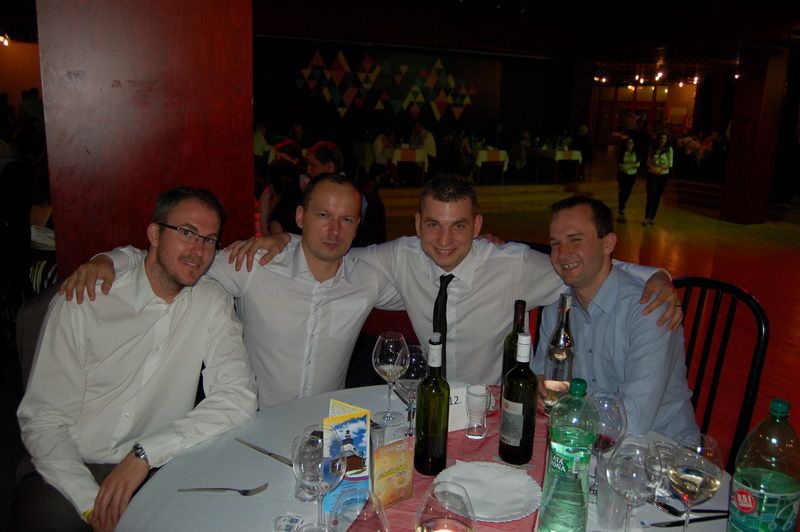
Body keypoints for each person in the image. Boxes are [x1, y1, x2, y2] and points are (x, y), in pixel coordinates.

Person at [227, 174, 682, 386]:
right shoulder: (399, 256)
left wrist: (656, 274)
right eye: (433, 225)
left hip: (487, 410)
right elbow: (331, 250)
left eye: (459, 226)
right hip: (423, 402)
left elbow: (579, 266)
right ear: (417, 223)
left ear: (478, 226)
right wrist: (286, 239)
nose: (444, 241)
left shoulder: (513, 265)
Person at [15, 187, 257, 531]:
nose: (198, 250)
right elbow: (42, 420)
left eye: (209, 240)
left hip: (157, 463)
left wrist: (146, 453)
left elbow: (238, 396)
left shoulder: (211, 301)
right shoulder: (85, 300)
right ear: (155, 233)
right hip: (71, 462)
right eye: (187, 233)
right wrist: (91, 503)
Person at [59, 174, 403, 409]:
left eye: (346, 219)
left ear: (357, 226)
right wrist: (110, 259)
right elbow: (177, 261)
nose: (334, 230)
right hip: (253, 425)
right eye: (324, 214)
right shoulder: (256, 264)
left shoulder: (366, 280)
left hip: (326, 425)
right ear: (300, 216)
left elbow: (422, 283)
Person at [533, 196, 696, 437]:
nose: (562, 253)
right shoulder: (557, 305)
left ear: (608, 243)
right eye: (555, 243)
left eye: (575, 240)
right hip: (580, 436)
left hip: (658, 446)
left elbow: (633, 420)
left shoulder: (649, 310)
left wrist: (567, 400)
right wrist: (539, 386)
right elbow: (544, 378)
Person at [643, 133, 673, 225]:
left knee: (657, 197)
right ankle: (646, 217)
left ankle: (652, 218)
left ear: (666, 140)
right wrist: (655, 169)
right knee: (650, 196)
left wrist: (660, 170)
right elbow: (648, 162)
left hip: (663, 175)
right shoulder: (652, 148)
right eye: (661, 138)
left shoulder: (669, 150)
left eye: (664, 138)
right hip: (652, 174)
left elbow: (670, 163)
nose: (662, 140)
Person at [617, 138, 640, 215]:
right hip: (622, 174)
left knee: (628, 191)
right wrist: (631, 166)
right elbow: (620, 165)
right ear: (626, 144)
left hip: (632, 175)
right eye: (628, 142)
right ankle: (621, 206)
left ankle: (623, 203)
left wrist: (627, 166)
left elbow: (637, 165)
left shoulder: (636, 153)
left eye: (631, 143)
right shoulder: (622, 153)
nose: (630, 144)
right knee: (623, 190)